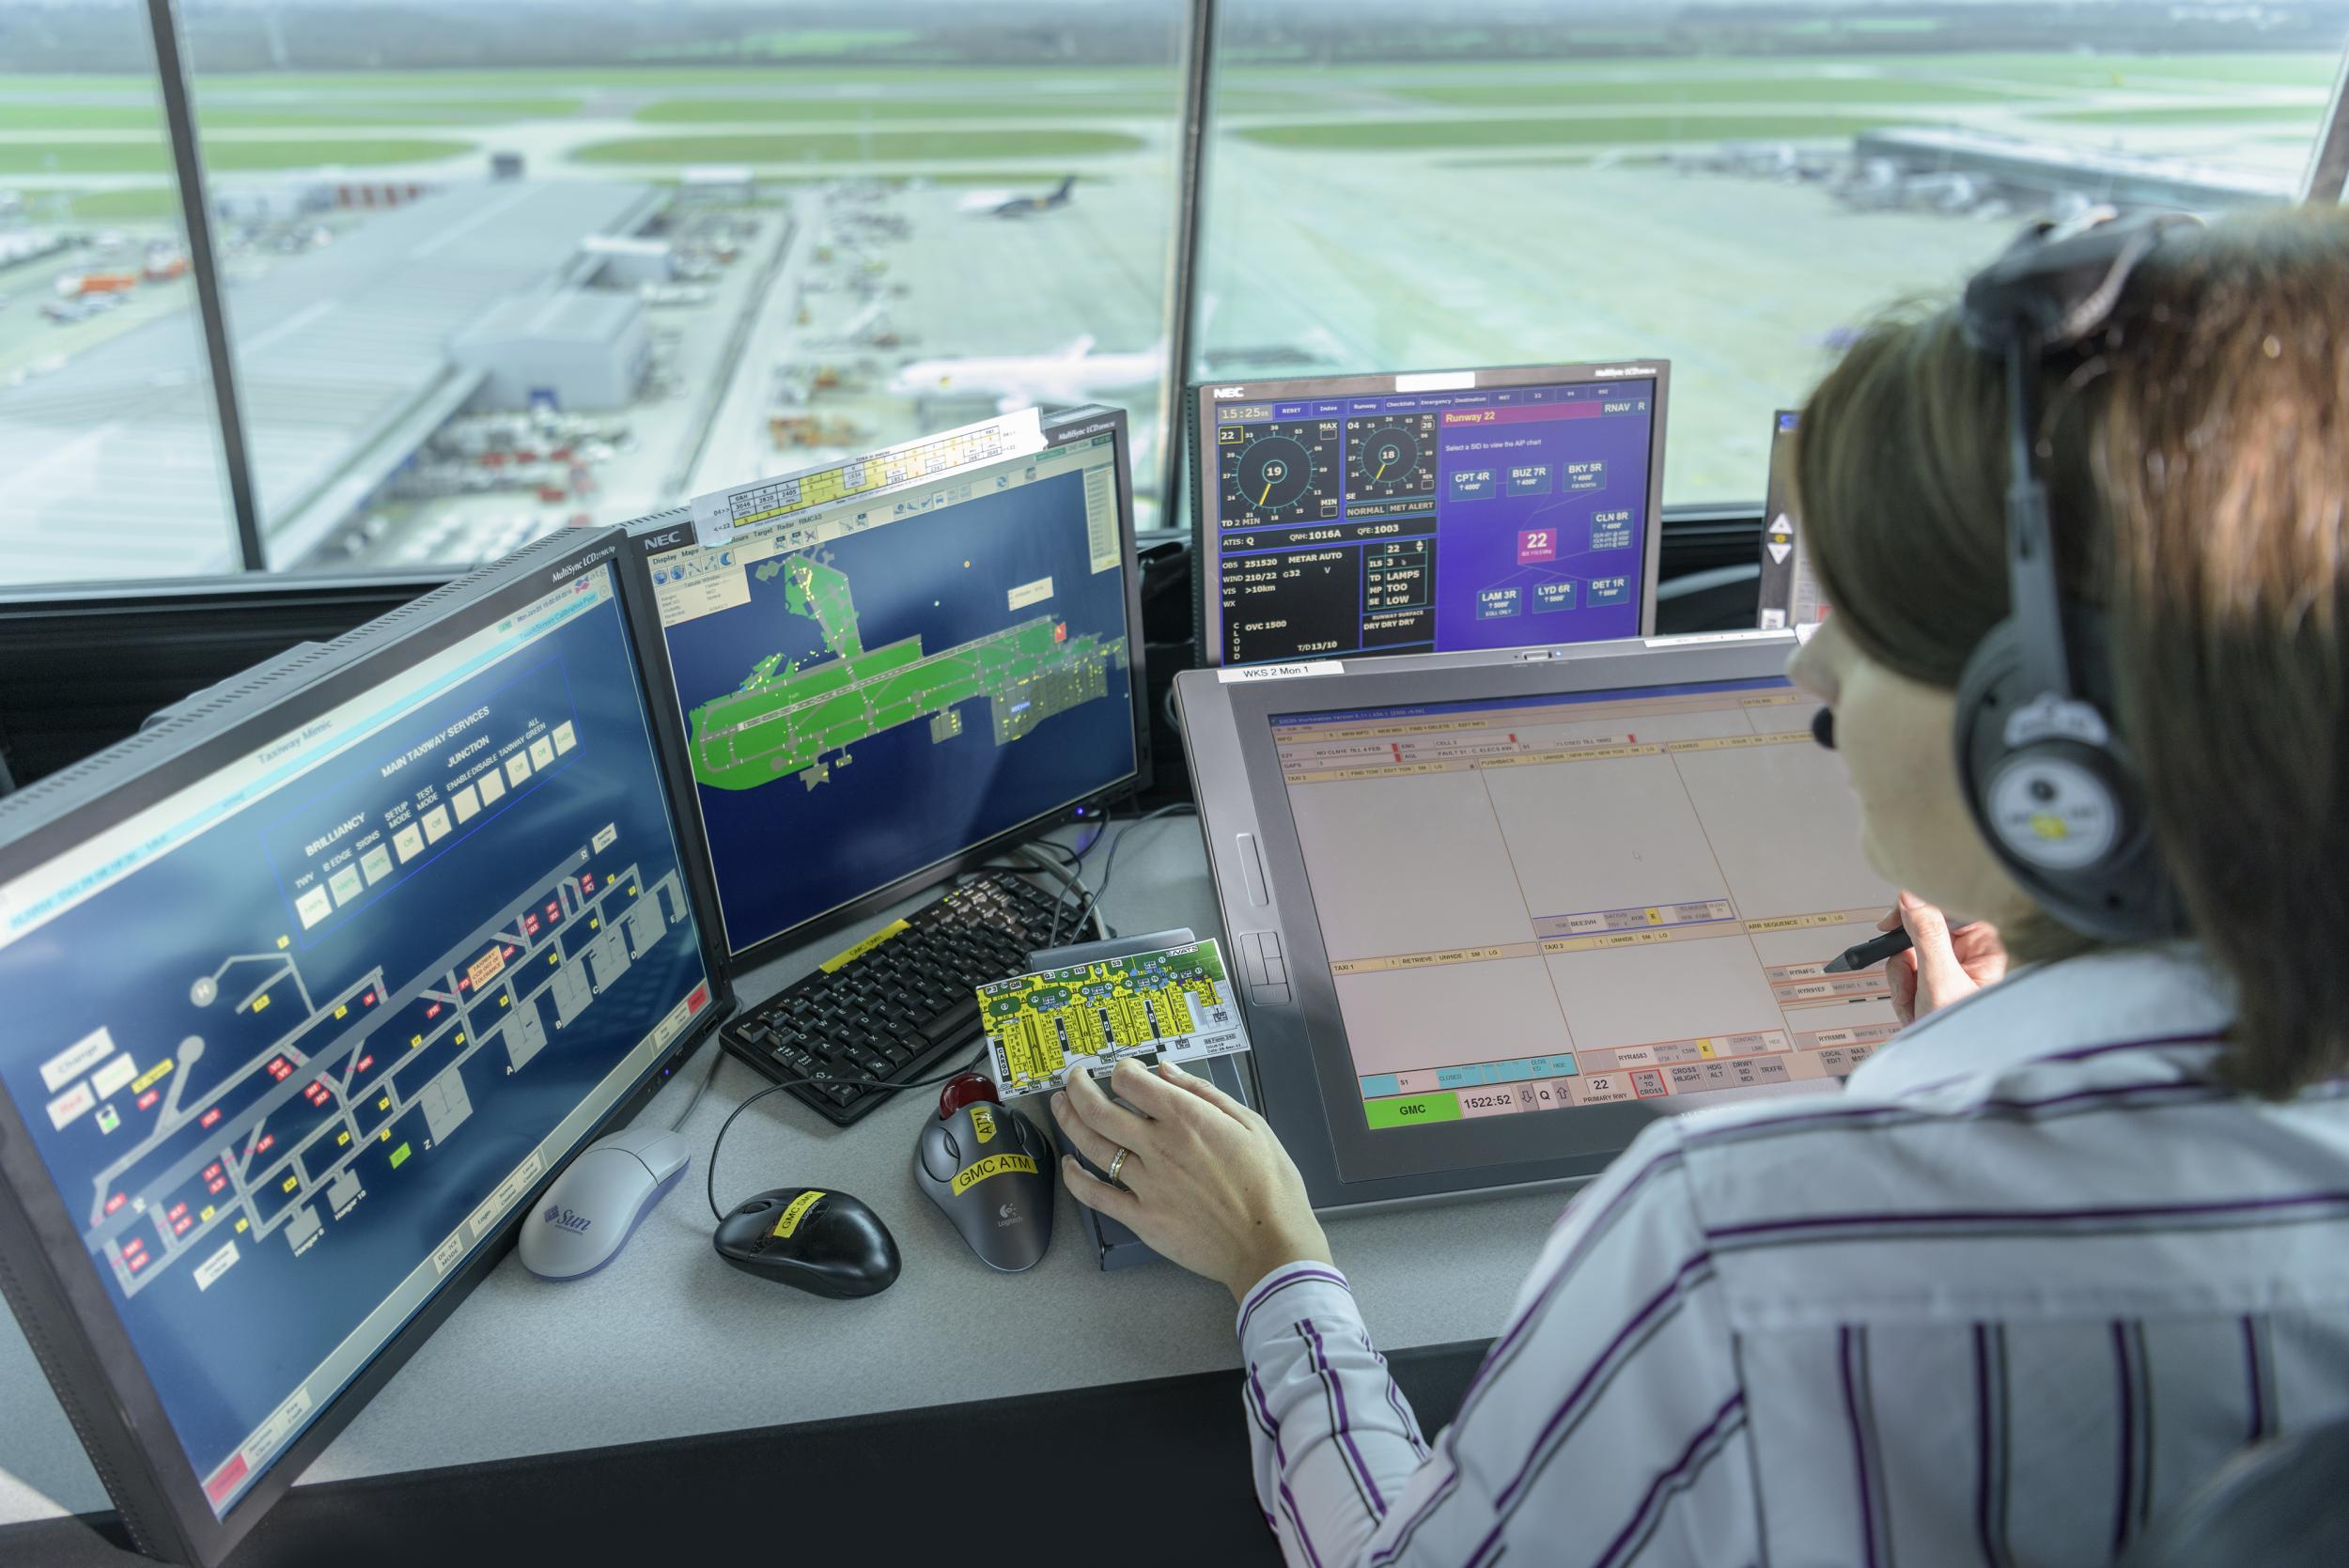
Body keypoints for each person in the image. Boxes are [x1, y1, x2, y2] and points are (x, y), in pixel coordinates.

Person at [1051, 205, 2349, 1566]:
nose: (1810, 672)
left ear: (2048, 736)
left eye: (1879, 630)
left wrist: (1273, 1259)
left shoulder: (1742, 1243)